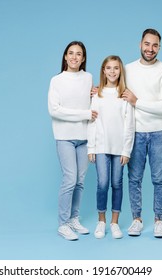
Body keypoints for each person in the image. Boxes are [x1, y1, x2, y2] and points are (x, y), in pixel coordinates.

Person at [122, 28, 162, 238]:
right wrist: (99, 91)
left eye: (154, 45)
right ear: (140, 44)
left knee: (159, 178)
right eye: (147, 44)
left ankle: (159, 220)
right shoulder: (128, 69)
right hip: (135, 132)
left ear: (159, 47)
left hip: (158, 133)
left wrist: (137, 102)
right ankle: (136, 219)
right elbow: (117, 93)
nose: (150, 49)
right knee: (134, 178)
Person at [48, 41, 98, 241]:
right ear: (65, 57)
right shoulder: (57, 80)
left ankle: (74, 219)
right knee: (69, 180)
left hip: (84, 138)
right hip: (65, 137)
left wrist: (98, 93)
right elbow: (55, 110)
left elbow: (93, 102)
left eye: (79, 54)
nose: (74, 57)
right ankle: (63, 224)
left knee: (80, 181)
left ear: (83, 58)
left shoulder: (88, 78)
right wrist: (85, 113)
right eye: (71, 53)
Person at [87, 55, 135, 239]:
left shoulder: (124, 96)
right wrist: (91, 148)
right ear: (103, 71)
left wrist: (126, 150)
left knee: (117, 183)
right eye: (108, 68)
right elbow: (92, 122)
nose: (112, 71)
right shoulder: (97, 94)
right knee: (102, 183)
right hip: (100, 146)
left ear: (120, 71)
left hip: (119, 148)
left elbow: (129, 124)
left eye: (116, 68)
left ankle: (115, 222)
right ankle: (101, 221)